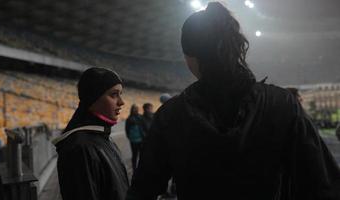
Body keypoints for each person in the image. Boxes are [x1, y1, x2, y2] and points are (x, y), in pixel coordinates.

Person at [126, 2, 340, 200]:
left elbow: (143, 189)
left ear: (189, 57)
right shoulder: (283, 104)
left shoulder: (170, 115)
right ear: (235, 47)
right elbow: (321, 184)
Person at [53, 67, 128, 200]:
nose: (121, 102)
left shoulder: (101, 137)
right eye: (114, 94)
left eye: (120, 94)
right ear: (93, 98)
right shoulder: (79, 148)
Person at [125, 104, 144, 172]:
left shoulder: (140, 117)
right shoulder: (129, 119)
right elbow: (127, 129)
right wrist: (129, 137)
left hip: (141, 139)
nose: (136, 110)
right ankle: (134, 168)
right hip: (133, 140)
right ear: (132, 110)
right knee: (135, 154)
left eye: (136, 108)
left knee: (142, 154)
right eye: (134, 109)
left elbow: (144, 127)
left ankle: (141, 167)